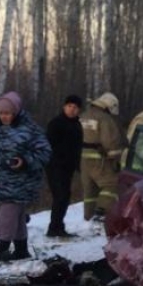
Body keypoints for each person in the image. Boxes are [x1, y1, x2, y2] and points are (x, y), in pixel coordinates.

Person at [0, 91, 52, 262]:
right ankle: (21, 249)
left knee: (7, 214)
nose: (4, 117)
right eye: (1, 113)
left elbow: (45, 152)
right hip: (0, 181)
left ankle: (1, 247)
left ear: (16, 112)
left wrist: (25, 161)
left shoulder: (31, 130)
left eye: (7, 113)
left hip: (22, 181)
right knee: (16, 215)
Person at [79, 92, 125, 221]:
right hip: (99, 159)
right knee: (112, 184)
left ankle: (88, 217)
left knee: (90, 190)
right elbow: (111, 141)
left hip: (82, 159)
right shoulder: (105, 118)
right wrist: (116, 160)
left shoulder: (83, 115)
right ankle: (101, 212)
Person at [44, 94, 84, 238]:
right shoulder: (56, 123)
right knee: (60, 196)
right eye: (69, 106)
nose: (72, 110)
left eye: (75, 107)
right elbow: (48, 145)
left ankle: (58, 226)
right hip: (55, 165)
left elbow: (78, 146)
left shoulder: (77, 124)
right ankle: (54, 228)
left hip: (69, 167)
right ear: (64, 107)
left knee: (65, 197)